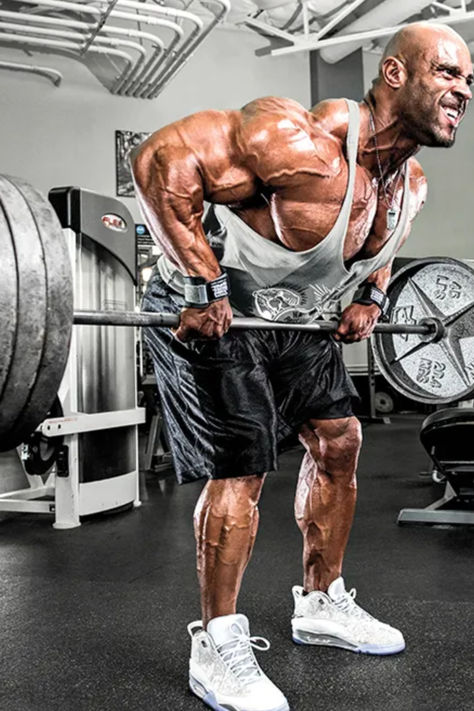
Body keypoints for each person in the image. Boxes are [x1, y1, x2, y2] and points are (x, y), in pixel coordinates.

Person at [131, 21, 472, 711]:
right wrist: (200, 280)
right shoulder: (301, 142)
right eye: (447, 73)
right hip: (213, 303)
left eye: (468, 80)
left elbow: (384, 252)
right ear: (396, 75)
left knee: (341, 441)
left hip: (294, 315)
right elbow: (162, 158)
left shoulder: (412, 183)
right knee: (245, 461)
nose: (463, 91)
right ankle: (217, 643)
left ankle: (321, 602)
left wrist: (372, 298)